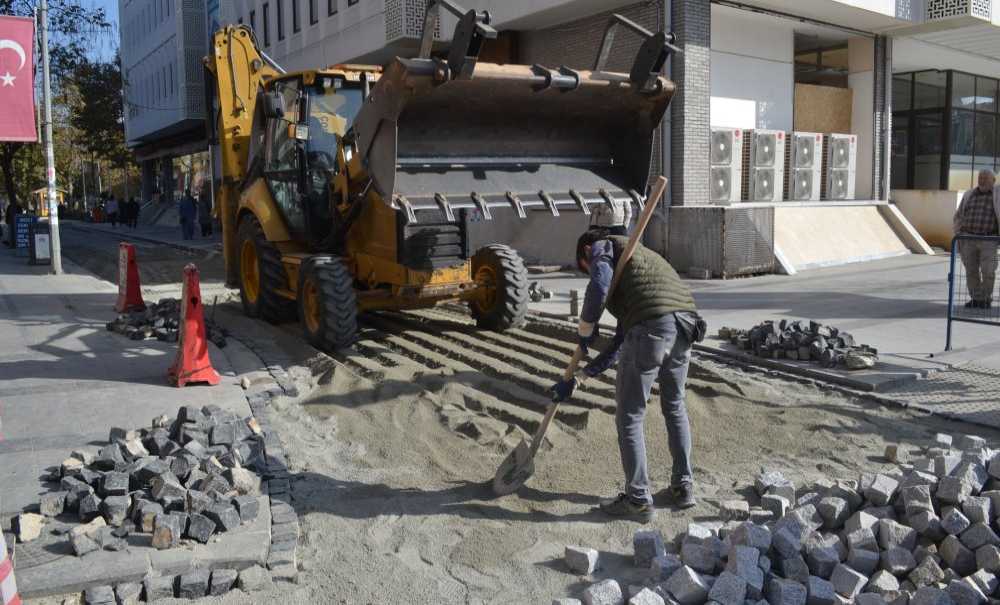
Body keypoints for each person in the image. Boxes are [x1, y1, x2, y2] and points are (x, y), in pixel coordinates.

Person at [549, 227, 704, 521]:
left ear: (586, 252)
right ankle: (683, 487)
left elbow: (598, 285)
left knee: (630, 416)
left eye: (586, 267)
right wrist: (580, 377)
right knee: (674, 405)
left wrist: (586, 327)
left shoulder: (602, 247)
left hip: (653, 326)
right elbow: (621, 343)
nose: (590, 268)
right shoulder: (639, 263)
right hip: (685, 325)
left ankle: (638, 500)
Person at [953, 169, 1000, 309]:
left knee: (988, 270)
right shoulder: (969, 194)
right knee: (971, 271)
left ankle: (985, 298)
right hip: (968, 238)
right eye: (980, 177)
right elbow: (959, 214)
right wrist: (958, 232)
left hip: (989, 239)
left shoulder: (998, 194)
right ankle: (976, 298)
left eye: (986, 178)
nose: (982, 180)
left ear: (994, 180)